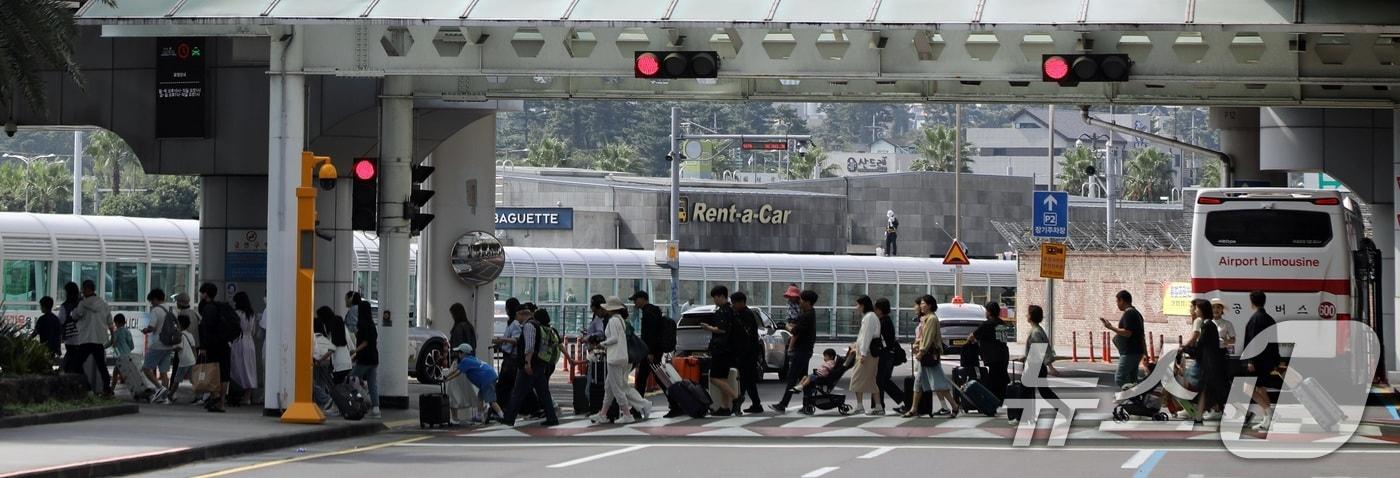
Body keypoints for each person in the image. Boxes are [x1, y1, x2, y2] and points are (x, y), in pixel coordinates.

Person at [592, 296, 651, 424]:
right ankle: (603, 413)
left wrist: (602, 344)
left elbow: (614, 339)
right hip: (622, 357)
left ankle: (627, 414)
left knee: (617, 388)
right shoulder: (621, 320)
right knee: (610, 387)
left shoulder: (613, 321)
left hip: (614, 358)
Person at [500, 307, 561, 427]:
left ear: (520, 314)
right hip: (539, 364)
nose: (516, 319)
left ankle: (509, 418)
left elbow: (529, 346)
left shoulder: (529, 326)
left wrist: (527, 362)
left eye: (517, 315)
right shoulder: (537, 325)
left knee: (518, 392)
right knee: (543, 393)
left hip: (530, 364)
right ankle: (552, 417)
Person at [907, 295, 958, 418]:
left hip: (929, 356)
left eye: (923, 303)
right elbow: (923, 337)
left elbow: (928, 338)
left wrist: (921, 351)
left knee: (939, 383)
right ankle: (913, 409)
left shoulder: (931, 319)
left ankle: (954, 406)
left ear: (929, 305)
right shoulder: (927, 319)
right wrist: (917, 346)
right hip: (926, 357)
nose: (921, 306)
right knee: (919, 383)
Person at [630, 291, 680, 415]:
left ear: (642, 299)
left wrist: (650, 352)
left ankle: (674, 404)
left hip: (651, 352)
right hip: (652, 350)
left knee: (656, 379)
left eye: (636, 300)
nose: (634, 303)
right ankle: (637, 408)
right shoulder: (653, 311)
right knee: (652, 379)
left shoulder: (649, 313)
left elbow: (651, 335)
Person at [771, 289, 819, 413]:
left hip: (801, 351)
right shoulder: (811, 313)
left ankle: (783, 404)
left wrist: (786, 326)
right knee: (803, 378)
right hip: (806, 350)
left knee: (792, 378)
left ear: (808, 302)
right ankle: (807, 404)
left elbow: (795, 331)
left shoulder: (806, 316)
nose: (800, 302)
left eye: (802, 300)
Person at [1242, 290, 1280, 431]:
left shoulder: (1255, 319)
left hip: (1257, 361)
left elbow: (1253, 341)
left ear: (1252, 302)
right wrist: (1276, 360)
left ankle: (1269, 412)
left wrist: (1250, 360)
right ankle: (1267, 420)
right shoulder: (1270, 319)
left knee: (1247, 388)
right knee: (1261, 388)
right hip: (1268, 360)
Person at [700, 285, 740, 416]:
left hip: (721, 349)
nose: (714, 300)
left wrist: (708, 328)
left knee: (714, 378)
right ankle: (725, 407)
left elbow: (722, 330)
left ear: (722, 296)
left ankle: (736, 398)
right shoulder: (731, 310)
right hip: (728, 349)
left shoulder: (723, 311)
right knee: (723, 379)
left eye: (715, 297)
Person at [441, 343, 504, 424]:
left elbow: (457, 372)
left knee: (491, 400)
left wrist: (447, 379)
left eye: (459, 352)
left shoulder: (465, 361)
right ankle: (479, 415)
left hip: (486, 379)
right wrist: (446, 377)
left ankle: (502, 416)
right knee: (480, 396)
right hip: (490, 376)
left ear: (463, 353)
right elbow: (456, 370)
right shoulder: (472, 359)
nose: (458, 354)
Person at [71, 280, 114, 396]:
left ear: (87, 289)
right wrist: (113, 337)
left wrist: (75, 307)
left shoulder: (82, 304)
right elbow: (110, 322)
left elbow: (75, 315)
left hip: (86, 339)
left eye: (83, 289)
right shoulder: (104, 304)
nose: (82, 291)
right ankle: (107, 388)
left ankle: (87, 387)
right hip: (99, 339)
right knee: (101, 366)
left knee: (76, 365)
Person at [1192, 300, 1229, 425]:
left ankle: (1243, 411)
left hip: (1211, 365)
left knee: (1221, 391)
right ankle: (1198, 417)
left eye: (1197, 308)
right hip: (1210, 363)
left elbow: (1201, 344)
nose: (1195, 310)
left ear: (1202, 310)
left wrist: (1186, 349)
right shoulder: (1209, 324)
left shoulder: (1207, 325)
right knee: (1207, 390)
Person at [197, 283, 232, 412]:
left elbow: (207, 329)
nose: (200, 295)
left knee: (212, 373)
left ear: (206, 294)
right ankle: (221, 403)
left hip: (213, 345)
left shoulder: (208, 309)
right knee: (224, 375)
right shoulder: (222, 307)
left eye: (201, 292)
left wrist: (204, 347)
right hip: (225, 344)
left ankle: (214, 398)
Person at [1100, 290, 1146, 388]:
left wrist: (1110, 327)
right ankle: (1136, 399)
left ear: (1122, 301)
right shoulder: (1137, 313)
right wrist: (1145, 352)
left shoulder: (1129, 314)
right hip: (1137, 351)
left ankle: (1134, 395)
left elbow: (1127, 333)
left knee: (1120, 378)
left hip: (1130, 352)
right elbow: (1142, 334)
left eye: (1117, 301)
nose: (1117, 304)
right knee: (1132, 378)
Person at [730, 292, 764, 414]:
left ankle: (739, 402)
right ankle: (756, 404)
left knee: (745, 379)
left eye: (734, 303)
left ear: (741, 302)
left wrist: (741, 353)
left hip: (747, 352)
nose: (733, 305)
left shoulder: (746, 315)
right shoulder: (741, 313)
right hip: (747, 352)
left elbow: (746, 337)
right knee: (748, 380)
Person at [970, 302, 1011, 401]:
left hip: (993, 357)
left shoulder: (987, 324)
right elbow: (1002, 340)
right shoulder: (1002, 323)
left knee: (993, 379)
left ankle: (992, 401)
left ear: (988, 312)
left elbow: (972, 336)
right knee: (1002, 378)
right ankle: (1001, 399)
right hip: (1003, 355)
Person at [849, 295, 882, 415]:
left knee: (856, 379)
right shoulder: (871, 316)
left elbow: (866, 336)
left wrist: (862, 353)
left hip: (866, 354)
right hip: (869, 353)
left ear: (863, 305)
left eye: (858, 304)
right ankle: (878, 406)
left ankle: (859, 406)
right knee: (871, 380)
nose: (857, 307)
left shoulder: (869, 317)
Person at [872, 298, 905, 413]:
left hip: (885, 354)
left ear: (880, 310)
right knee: (883, 380)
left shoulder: (883, 321)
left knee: (879, 381)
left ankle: (879, 406)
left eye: (875, 308)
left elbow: (884, 340)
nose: (874, 310)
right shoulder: (886, 320)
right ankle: (904, 400)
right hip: (889, 354)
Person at [1021, 305, 1060, 402]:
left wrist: (1050, 367)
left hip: (1035, 366)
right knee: (1040, 391)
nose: (1026, 315)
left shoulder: (1036, 332)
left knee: (1027, 391)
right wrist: (1025, 357)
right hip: (1036, 366)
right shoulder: (1038, 329)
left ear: (1031, 316)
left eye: (1028, 314)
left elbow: (1041, 350)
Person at [228, 292, 260, 406]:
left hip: (238, 341)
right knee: (249, 369)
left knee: (237, 368)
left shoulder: (236, 314)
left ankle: (236, 393)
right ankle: (247, 397)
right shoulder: (251, 314)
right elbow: (253, 331)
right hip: (249, 342)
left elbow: (233, 328)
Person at [140, 289, 176, 390]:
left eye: (151, 301)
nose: (151, 303)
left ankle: (160, 388)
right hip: (169, 344)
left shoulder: (156, 310)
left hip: (158, 344)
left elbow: (152, 327)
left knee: (146, 368)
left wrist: (146, 330)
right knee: (164, 372)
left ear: (155, 299)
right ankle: (165, 394)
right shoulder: (171, 309)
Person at [351, 308, 382, 419]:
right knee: (372, 383)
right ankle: (376, 408)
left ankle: (358, 402)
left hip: (365, 359)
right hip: (374, 359)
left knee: (351, 378)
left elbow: (365, 342)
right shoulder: (372, 326)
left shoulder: (363, 326)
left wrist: (355, 351)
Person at [167, 314, 198, 404]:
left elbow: (179, 348)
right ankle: (199, 397)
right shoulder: (190, 335)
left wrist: (171, 348)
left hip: (183, 362)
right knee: (193, 380)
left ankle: (170, 395)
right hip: (191, 360)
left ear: (179, 324)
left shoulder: (179, 335)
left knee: (177, 380)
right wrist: (195, 360)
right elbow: (193, 348)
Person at [109, 314, 134, 390]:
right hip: (128, 355)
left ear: (116, 323)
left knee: (116, 373)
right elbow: (132, 346)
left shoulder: (116, 332)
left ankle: (111, 389)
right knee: (122, 372)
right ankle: (112, 389)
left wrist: (102, 347)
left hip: (120, 357)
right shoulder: (128, 332)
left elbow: (111, 342)